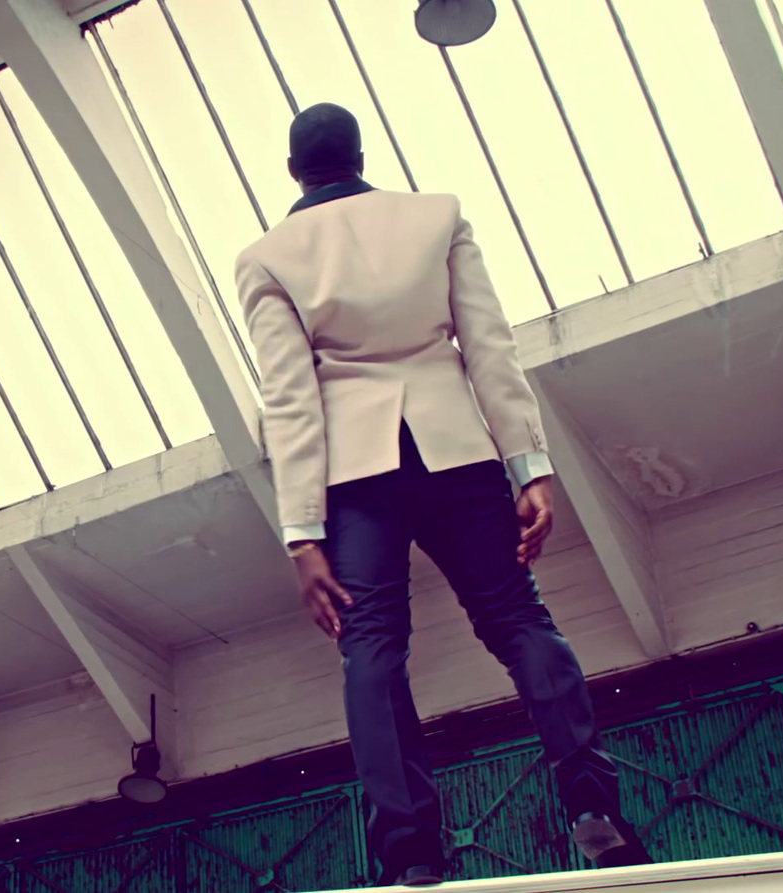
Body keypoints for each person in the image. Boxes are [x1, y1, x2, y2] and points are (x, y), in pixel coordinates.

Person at [234, 103, 651, 887]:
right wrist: (529, 466)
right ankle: (593, 802)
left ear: (295, 172)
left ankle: (411, 849)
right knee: (518, 617)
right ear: (362, 155)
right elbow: (489, 343)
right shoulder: (437, 216)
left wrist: (302, 534)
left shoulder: (266, 258)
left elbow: (288, 397)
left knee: (372, 654)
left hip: (355, 478)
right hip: (456, 452)